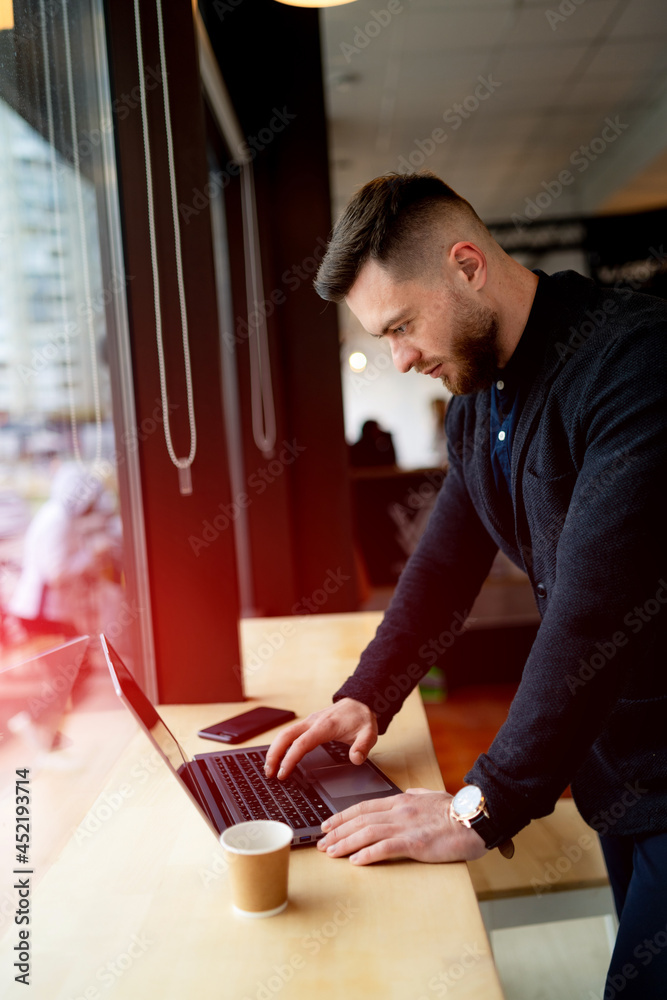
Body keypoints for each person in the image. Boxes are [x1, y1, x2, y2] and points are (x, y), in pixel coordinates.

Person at [264, 172, 667, 998]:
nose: (400, 358)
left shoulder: (637, 363)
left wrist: (477, 807)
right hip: (616, 775)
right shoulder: (479, 405)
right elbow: (443, 567)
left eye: (403, 325)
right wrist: (366, 695)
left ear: (467, 267)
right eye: (383, 337)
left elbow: (592, 613)